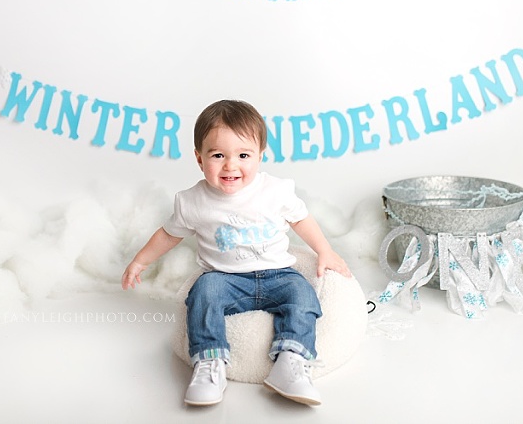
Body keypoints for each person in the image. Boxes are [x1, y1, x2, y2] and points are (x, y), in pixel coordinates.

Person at [121, 99, 351, 407]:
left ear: (260, 156)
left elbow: (301, 219)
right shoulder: (193, 201)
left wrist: (325, 251)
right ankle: (209, 363)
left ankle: (291, 361)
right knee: (203, 294)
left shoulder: (276, 190)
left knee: (303, 295)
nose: (231, 165)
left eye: (243, 155)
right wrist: (140, 261)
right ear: (200, 159)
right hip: (224, 278)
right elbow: (168, 235)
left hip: (278, 274)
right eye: (218, 155)